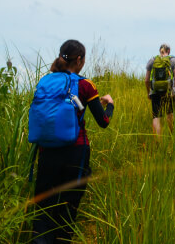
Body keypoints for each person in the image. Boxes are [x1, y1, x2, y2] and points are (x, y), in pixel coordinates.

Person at [32, 39, 114, 243]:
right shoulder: (85, 85)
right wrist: (110, 104)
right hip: (75, 153)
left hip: (46, 152)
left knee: (43, 207)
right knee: (68, 209)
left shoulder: (46, 81)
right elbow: (103, 121)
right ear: (79, 60)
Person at [145, 43, 175, 136]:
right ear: (168, 51)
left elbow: (146, 80)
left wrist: (149, 92)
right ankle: (173, 136)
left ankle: (158, 142)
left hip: (155, 92)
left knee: (156, 117)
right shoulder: (173, 60)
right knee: (169, 114)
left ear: (160, 50)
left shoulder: (152, 60)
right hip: (169, 92)